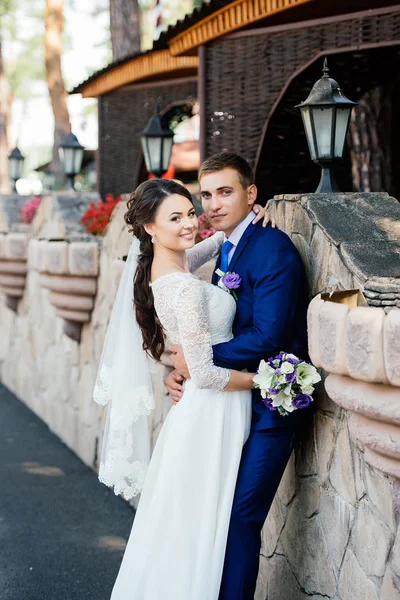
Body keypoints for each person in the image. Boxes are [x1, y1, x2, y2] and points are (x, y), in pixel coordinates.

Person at [93, 178, 272, 600]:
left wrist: (247, 217)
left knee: (187, 520)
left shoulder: (173, 263)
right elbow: (205, 372)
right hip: (212, 411)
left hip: (204, 409)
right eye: (175, 217)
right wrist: (268, 379)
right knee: (198, 523)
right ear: (150, 228)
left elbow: (213, 244)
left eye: (191, 212)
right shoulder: (184, 286)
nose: (190, 223)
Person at [166, 152, 309, 600]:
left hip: (271, 408)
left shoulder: (271, 248)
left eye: (225, 192)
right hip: (229, 403)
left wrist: (196, 359)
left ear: (251, 194)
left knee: (241, 516)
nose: (212, 204)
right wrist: (186, 368)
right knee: (213, 512)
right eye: (205, 194)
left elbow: (267, 336)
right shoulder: (228, 245)